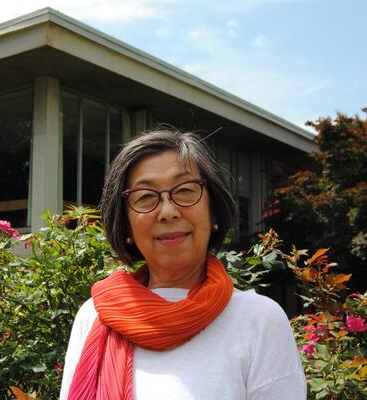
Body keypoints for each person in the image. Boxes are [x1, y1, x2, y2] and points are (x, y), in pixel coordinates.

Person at [60, 128, 307, 400]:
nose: (168, 211)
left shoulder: (258, 320)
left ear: (213, 210)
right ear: (126, 224)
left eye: (186, 190)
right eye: (145, 197)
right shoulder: (96, 315)